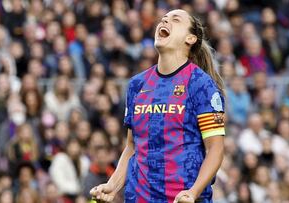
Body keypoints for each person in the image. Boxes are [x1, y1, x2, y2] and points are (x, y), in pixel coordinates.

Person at [90, 9, 225, 203]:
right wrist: (113, 185)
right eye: (163, 19)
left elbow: (215, 149)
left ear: (190, 38)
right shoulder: (137, 85)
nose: (165, 21)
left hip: (182, 199)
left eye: (175, 20)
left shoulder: (201, 84)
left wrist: (193, 192)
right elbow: (132, 147)